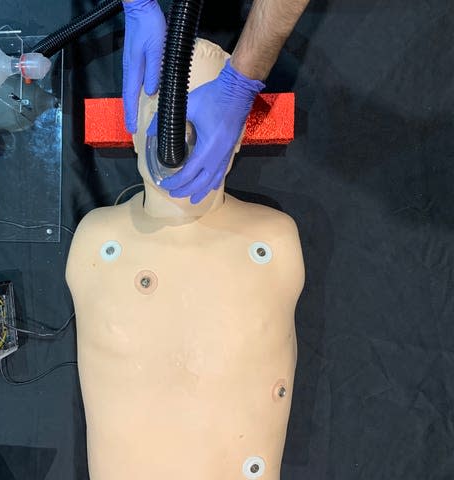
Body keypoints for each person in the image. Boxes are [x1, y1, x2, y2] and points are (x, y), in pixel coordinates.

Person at [66, 38, 304, 479]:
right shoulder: (97, 240)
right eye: (166, 119)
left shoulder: (274, 241)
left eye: (201, 124)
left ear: (234, 141)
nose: (179, 143)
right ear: (135, 132)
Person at [122, 0, 310, 204]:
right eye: (156, 118)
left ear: (239, 136)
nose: (175, 137)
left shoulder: (273, 233)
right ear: (133, 137)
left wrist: (239, 82)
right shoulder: (99, 231)